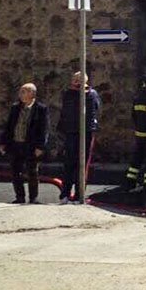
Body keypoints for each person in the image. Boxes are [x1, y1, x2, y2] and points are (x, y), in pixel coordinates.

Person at [0, 83, 49, 204]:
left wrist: (40, 146)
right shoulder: (15, 107)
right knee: (16, 172)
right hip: (16, 143)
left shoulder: (40, 109)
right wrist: (3, 142)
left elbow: (44, 129)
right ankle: (19, 197)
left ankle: (33, 198)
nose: (20, 94)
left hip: (31, 145)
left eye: (24, 91)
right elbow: (9, 126)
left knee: (32, 172)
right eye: (21, 91)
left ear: (32, 93)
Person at [57, 72, 101, 204]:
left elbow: (95, 109)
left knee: (82, 164)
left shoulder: (91, 94)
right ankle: (65, 194)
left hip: (86, 132)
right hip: (71, 131)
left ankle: (79, 194)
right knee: (69, 163)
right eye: (74, 79)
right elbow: (65, 112)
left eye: (78, 80)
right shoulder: (68, 94)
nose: (75, 82)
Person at [124, 75, 146, 191]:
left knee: (137, 158)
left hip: (139, 134)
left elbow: (133, 115)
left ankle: (130, 182)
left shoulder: (138, 96)